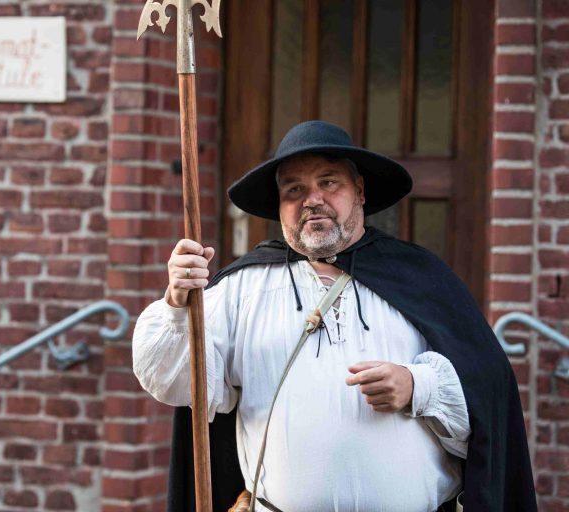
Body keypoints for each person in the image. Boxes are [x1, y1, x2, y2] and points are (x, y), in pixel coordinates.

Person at [132, 121, 537, 512]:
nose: (312, 199)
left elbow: (489, 399)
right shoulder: (241, 288)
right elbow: (175, 383)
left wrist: (418, 386)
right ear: (280, 206)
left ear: (359, 191)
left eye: (329, 182)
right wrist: (176, 304)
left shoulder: (420, 277)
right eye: (294, 189)